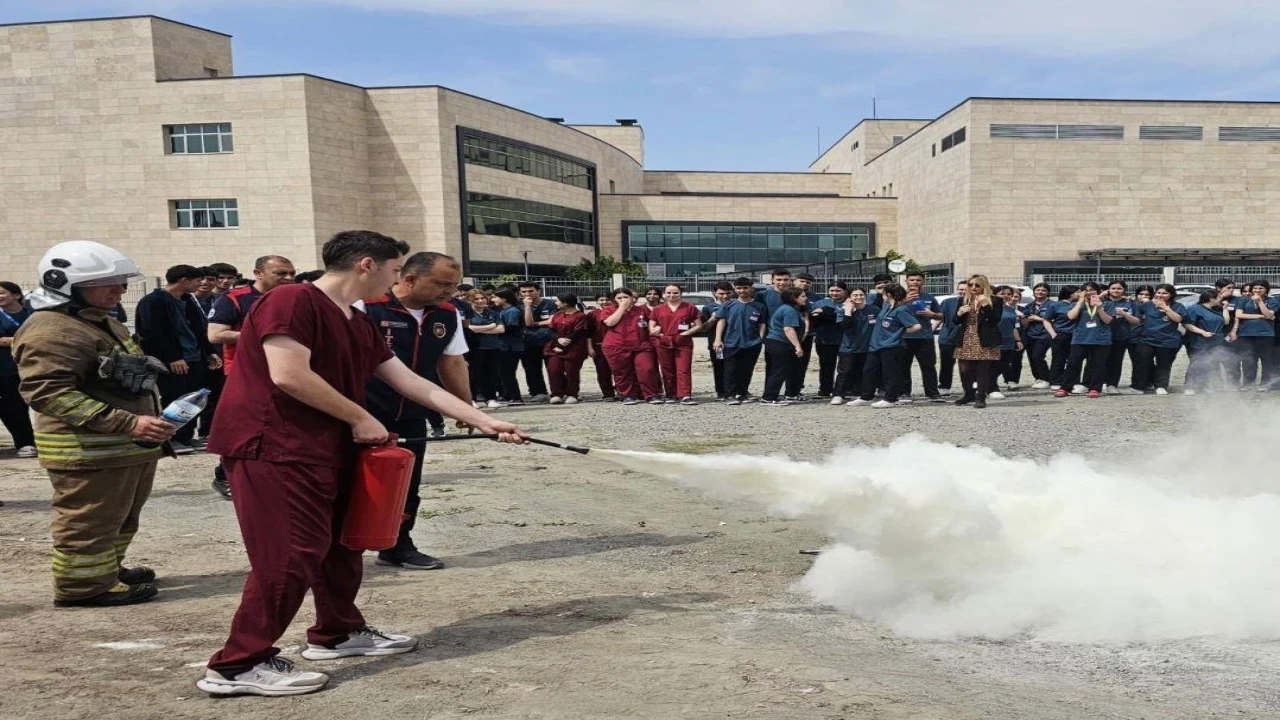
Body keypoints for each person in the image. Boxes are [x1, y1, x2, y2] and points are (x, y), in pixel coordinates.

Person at [196, 230, 526, 697]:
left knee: (341, 543)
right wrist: (360, 416)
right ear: (367, 264)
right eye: (395, 270)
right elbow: (288, 375)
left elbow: (408, 380)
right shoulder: (293, 300)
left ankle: (337, 632)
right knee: (291, 554)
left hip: (325, 448)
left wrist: (483, 419)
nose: (396, 280)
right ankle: (237, 663)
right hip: (275, 446)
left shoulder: (356, 319)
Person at [13, 241, 176, 607]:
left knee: (120, 517)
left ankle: (106, 571)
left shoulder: (100, 321)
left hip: (122, 446)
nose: (118, 289)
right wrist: (127, 422)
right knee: (89, 521)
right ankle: (83, 587)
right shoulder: (51, 329)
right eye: (105, 283)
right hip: (89, 450)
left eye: (121, 282)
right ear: (65, 285)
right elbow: (48, 392)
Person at [360, 251, 471, 571]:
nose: (450, 291)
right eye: (443, 284)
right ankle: (337, 547)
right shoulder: (367, 306)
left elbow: (452, 362)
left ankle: (397, 544)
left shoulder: (447, 313)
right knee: (350, 479)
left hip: (411, 412)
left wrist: (464, 407)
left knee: (405, 482)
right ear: (410, 278)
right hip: (361, 410)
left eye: (454, 285)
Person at [205, 255, 296, 500]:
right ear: (258, 273)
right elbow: (216, 335)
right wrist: (264, 334)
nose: (288, 278)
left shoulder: (295, 297)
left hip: (287, 370)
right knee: (243, 427)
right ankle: (225, 476)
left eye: (291, 273)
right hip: (244, 373)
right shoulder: (235, 299)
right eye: (281, 273)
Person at [134, 264, 221, 453]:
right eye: (197, 280)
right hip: (171, 362)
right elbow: (151, 333)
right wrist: (172, 357)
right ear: (184, 280)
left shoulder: (187, 300)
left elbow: (199, 329)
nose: (200, 284)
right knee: (174, 399)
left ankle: (186, 437)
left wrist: (209, 352)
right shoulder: (153, 301)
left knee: (193, 399)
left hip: (194, 359)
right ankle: (170, 439)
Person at [856, 283, 921, 409]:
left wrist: (899, 332)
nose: (882, 296)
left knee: (890, 374)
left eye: (884, 293)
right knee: (869, 371)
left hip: (892, 346)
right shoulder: (886, 306)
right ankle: (866, 396)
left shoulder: (901, 310)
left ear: (889, 295)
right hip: (876, 345)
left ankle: (890, 398)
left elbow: (916, 326)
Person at [601, 288, 662, 405]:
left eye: (626, 297)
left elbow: (653, 322)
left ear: (631, 298)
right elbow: (609, 322)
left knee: (647, 369)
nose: (623, 300)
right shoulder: (608, 309)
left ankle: (651, 394)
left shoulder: (641, 310)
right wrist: (622, 308)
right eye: (619, 298)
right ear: (614, 299)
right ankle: (627, 395)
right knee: (622, 372)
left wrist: (657, 328)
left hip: (641, 346)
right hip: (617, 346)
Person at [952, 275, 1004, 409]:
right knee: (964, 369)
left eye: (977, 285)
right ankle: (968, 394)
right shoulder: (963, 300)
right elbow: (955, 321)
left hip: (984, 338)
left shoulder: (995, 300)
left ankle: (980, 397)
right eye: (970, 285)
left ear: (984, 286)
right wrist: (959, 313)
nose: (973, 287)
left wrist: (986, 306)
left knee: (982, 369)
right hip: (967, 337)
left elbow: (995, 320)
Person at [714, 278, 768, 406]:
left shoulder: (759, 306)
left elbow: (762, 323)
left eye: (745, 288)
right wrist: (718, 339)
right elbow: (721, 321)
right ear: (735, 290)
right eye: (739, 288)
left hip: (752, 343)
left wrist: (760, 338)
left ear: (751, 289)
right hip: (731, 343)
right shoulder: (728, 305)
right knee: (731, 370)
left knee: (747, 370)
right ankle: (730, 395)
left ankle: (742, 393)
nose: (742, 290)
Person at [1055, 281, 1114, 399]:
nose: (1089, 292)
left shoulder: (1107, 304)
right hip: (1080, 339)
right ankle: (1065, 387)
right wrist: (1080, 301)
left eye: (1092, 290)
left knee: (1098, 365)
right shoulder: (1076, 304)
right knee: (1073, 364)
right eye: (1085, 290)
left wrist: (1099, 307)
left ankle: (1095, 388)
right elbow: (1071, 316)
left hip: (1101, 339)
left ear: (1098, 291)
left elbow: (1108, 321)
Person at [649, 284, 702, 404]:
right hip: (664, 341)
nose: (672, 295)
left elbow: (698, 325)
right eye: (668, 293)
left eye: (675, 293)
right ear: (664, 294)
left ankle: (685, 395)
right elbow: (651, 325)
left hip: (683, 342)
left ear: (680, 293)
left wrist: (686, 333)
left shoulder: (689, 307)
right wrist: (656, 331)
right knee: (667, 369)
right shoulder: (658, 309)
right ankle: (671, 395)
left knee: (684, 368)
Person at [0, 281, 36, 457]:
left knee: (28, 404)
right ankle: (25, 442)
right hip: (6, 367)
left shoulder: (31, 314)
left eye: (2, 292)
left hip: (31, 365)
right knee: (12, 406)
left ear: (16, 295)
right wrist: (24, 340)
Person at [1131, 283, 1186, 395]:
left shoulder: (1178, 306)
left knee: (1164, 364)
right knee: (1142, 362)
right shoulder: (1148, 305)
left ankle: (1161, 386)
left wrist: (1165, 308)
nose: (1161, 295)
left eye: (1165, 293)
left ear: (1171, 295)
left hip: (1168, 340)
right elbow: (1136, 313)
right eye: (1158, 292)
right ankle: (1139, 386)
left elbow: (1178, 319)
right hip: (1147, 339)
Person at [901, 271, 944, 402]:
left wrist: (931, 315)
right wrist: (904, 301)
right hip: (904, 337)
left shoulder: (929, 298)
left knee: (928, 366)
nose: (915, 282)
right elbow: (888, 312)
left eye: (918, 280)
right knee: (903, 367)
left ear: (923, 282)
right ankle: (904, 393)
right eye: (912, 280)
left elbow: (941, 316)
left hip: (925, 337)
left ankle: (932, 393)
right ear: (906, 281)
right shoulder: (900, 297)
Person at [761, 288, 807, 406]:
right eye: (802, 296)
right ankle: (769, 397)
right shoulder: (789, 310)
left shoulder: (789, 309)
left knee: (781, 369)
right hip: (779, 343)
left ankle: (781, 395)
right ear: (794, 298)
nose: (805, 298)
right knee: (780, 370)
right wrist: (798, 346)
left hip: (775, 342)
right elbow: (788, 329)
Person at [1231, 280, 1278, 391]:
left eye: (1261, 288)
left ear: (1266, 289)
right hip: (1246, 334)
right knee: (1248, 359)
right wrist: (1259, 316)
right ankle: (1249, 383)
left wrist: (1260, 302)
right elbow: (1239, 314)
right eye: (1255, 288)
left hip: (1266, 334)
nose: (1257, 290)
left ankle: (1266, 384)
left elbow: (1269, 315)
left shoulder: (1272, 300)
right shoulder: (1243, 300)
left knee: (1267, 360)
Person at [832, 287, 876, 405]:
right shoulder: (843, 310)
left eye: (861, 295)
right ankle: (838, 394)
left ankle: (860, 393)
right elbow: (844, 326)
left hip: (867, 346)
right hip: (849, 347)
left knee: (865, 371)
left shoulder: (873, 309)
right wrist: (848, 311)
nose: (858, 297)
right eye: (855, 295)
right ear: (849, 297)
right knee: (845, 371)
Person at [545, 293, 590, 404]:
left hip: (574, 348)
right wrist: (558, 340)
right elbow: (551, 330)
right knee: (554, 369)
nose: (556, 303)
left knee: (571, 371)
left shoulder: (580, 316)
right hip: (555, 347)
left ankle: (572, 394)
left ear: (565, 303)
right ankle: (556, 394)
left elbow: (577, 333)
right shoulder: (557, 315)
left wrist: (562, 346)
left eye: (558, 301)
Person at [1181, 291, 1230, 395]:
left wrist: (1225, 309)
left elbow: (1226, 322)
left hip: (1215, 341)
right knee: (1197, 363)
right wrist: (1202, 332)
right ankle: (1190, 386)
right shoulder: (1195, 309)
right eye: (1219, 297)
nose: (1221, 299)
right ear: (1211, 298)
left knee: (1210, 363)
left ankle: (1203, 386)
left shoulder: (1216, 309)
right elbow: (1187, 324)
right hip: (1199, 340)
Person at [484, 288, 525, 405]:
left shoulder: (512, 311)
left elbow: (512, 327)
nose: (493, 299)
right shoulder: (503, 310)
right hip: (503, 346)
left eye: (495, 297)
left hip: (511, 347)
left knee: (508, 372)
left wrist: (494, 329)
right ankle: (507, 395)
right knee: (502, 372)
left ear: (504, 299)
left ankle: (516, 397)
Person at [518, 282, 557, 402]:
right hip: (528, 342)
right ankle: (538, 392)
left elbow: (552, 321)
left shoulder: (550, 303)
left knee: (554, 368)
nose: (527, 294)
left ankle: (558, 392)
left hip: (548, 340)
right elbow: (528, 323)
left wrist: (536, 323)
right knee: (531, 369)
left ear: (538, 291)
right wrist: (527, 307)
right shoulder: (519, 306)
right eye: (524, 292)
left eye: (531, 291)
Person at [808, 282, 849, 399]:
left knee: (845, 367)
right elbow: (813, 319)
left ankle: (845, 390)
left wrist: (827, 314)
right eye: (832, 290)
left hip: (845, 340)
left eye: (838, 290)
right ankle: (825, 390)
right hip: (825, 340)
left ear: (845, 291)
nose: (835, 293)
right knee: (826, 366)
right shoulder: (820, 303)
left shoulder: (849, 303)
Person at [464, 290, 503, 407]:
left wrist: (480, 329)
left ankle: (491, 398)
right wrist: (490, 326)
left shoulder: (492, 312)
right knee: (473, 374)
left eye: (482, 298)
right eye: (476, 299)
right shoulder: (467, 313)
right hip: (475, 348)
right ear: (469, 300)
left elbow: (501, 329)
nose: (480, 301)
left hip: (493, 346)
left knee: (491, 373)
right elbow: (468, 328)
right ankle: (472, 399)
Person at [1040, 285, 1079, 390]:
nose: (1080, 294)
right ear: (1071, 294)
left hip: (1076, 335)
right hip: (1061, 334)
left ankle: (1073, 381)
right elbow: (1046, 320)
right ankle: (1056, 381)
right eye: (1078, 292)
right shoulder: (1056, 305)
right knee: (1059, 359)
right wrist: (1053, 333)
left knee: (1074, 360)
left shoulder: (1079, 304)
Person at [1101, 281, 1137, 395]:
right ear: (1108, 290)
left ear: (1124, 290)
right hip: (1102, 336)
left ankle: (1112, 384)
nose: (1116, 291)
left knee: (1116, 362)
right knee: (1100, 360)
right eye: (1113, 288)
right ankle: (1098, 383)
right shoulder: (1102, 302)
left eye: (1119, 288)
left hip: (1121, 336)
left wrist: (1124, 314)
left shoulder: (1130, 303)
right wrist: (1101, 296)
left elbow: (1136, 320)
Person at [989, 285, 1024, 398]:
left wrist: (1018, 340)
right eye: (1002, 293)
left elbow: (1013, 326)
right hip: (994, 341)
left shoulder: (1011, 309)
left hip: (1008, 341)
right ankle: (992, 388)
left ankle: (987, 384)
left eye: (1009, 294)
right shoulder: (990, 308)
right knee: (994, 365)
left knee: (1004, 365)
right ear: (995, 295)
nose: (1006, 296)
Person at [700, 283, 733, 400]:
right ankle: (721, 392)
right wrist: (713, 318)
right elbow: (704, 328)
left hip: (734, 342)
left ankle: (736, 390)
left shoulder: (736, 305)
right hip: (717, 343)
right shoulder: (708, 308)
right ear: (714, 293)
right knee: (719, 367)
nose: (725, 296)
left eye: (728, 293)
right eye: (721, 293)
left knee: (735, 367)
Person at [1020, 283, 1054, 390]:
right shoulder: (1029, 306)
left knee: (1037, 356)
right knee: (1032, 358)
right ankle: (1038, 378)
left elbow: (1057, 320)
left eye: (1043, 290)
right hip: (1030, 335)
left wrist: (1039, 319)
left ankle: (1046, 378)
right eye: (1038, 290)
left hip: (1045, 335)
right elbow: (1025, 322)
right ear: (1034, 292)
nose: (1040, 292)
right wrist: (1025, 319)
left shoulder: (1053, 305)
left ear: (1048, 292)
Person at [937, 280, 968, 396]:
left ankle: (968, 387)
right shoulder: (947, 302)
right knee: (946, 364)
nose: (962, 292)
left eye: (965, 290)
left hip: (966, 337)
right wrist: (932, 329)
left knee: (967, 365)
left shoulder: (974, 303)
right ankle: (944, 386)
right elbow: (940, 317)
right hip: (947, 336)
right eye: (960, 289)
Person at [587, 294, 617, 401]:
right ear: (596, 301)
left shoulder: (617, 312)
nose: (604, 302)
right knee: (603, 371)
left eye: (607, 299)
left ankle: (622, 391)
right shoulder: (592, 315)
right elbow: (588, 332)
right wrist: (590, 348)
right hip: (599, 346)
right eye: (601, 300)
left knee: (618, 370)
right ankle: (608, 394)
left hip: (616, 346)